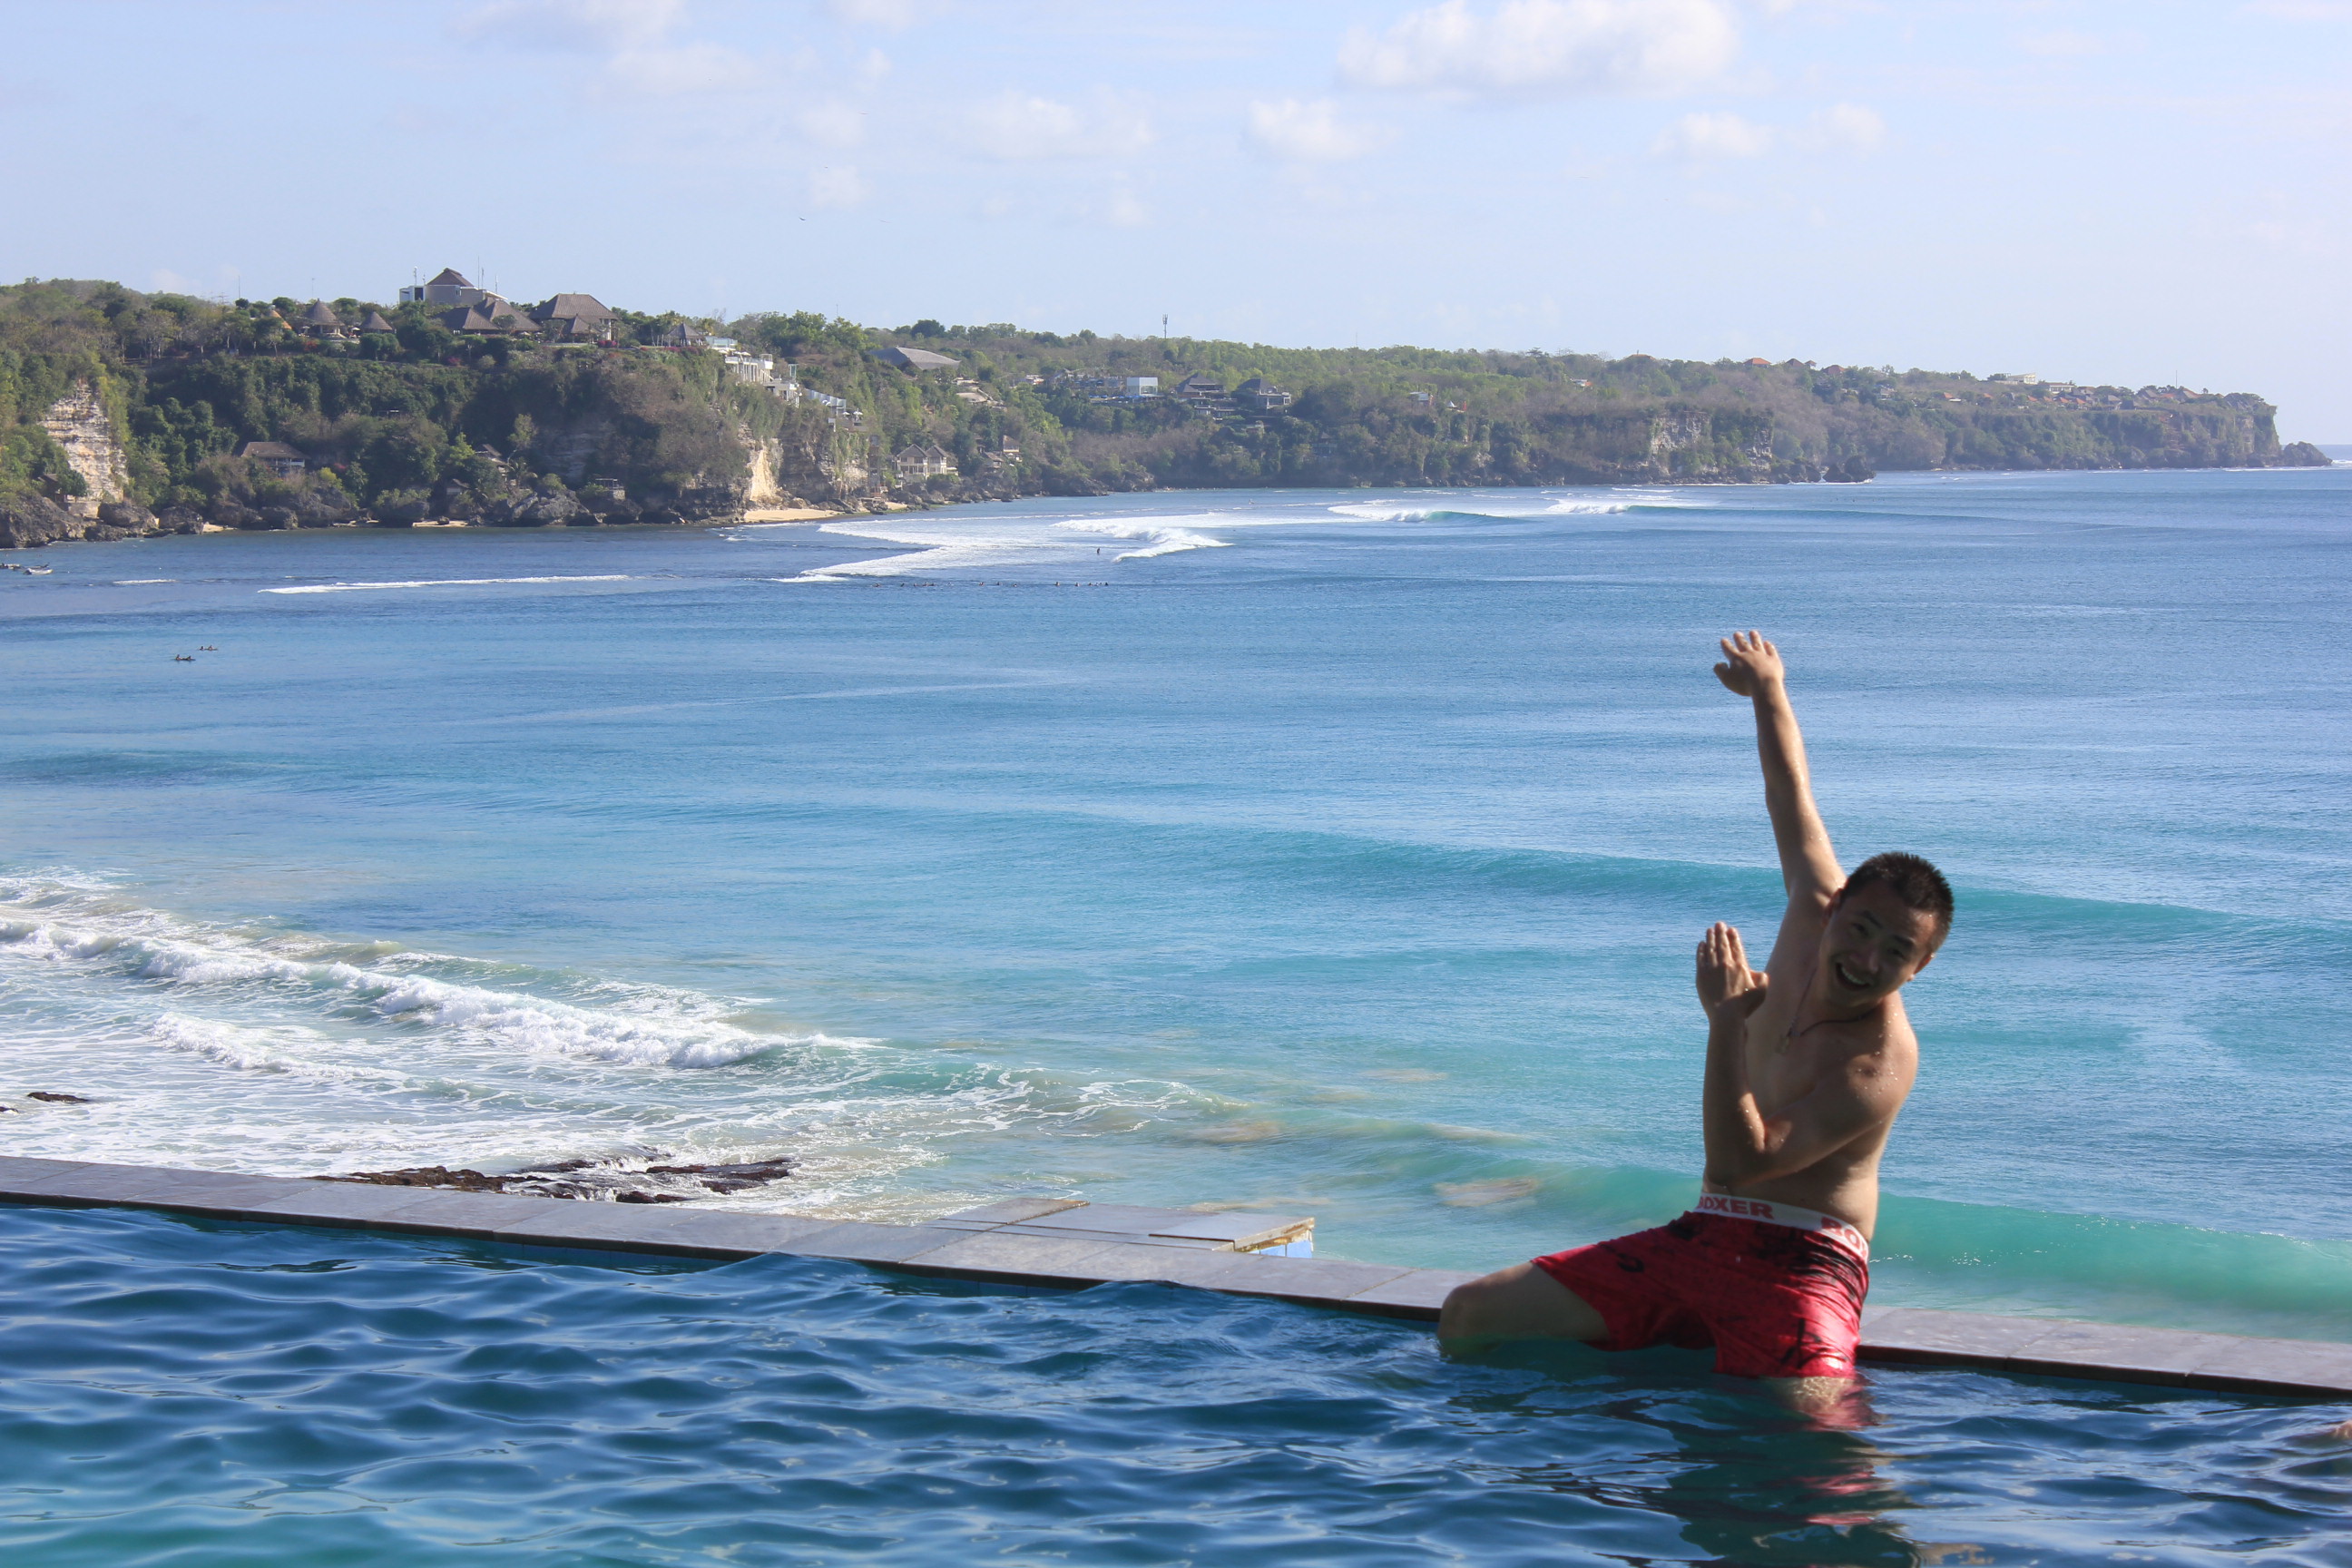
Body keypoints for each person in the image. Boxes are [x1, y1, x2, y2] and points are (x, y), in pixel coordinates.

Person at [1438, 631, 1955, 1412]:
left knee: (1810, 1418)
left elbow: (1745, 1162)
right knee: (1470, 1316)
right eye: (1861, 929)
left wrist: (1724, 1022)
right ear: (1837, 906)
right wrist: (1769, 691)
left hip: (1806, 1260)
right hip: (1705, 1234)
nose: (1867, 958)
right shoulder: (1811, 906)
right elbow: (1791, 795)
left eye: (1897, 952)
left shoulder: (1879, 1062)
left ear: (1919, 968)